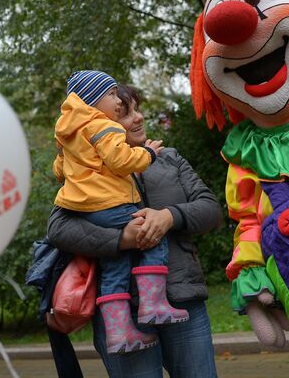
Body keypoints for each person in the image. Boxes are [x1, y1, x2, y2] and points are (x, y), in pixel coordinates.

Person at [48, 84, 222, 378]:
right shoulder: (85, 175)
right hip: (121, 311)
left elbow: (211, 210)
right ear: (98, 121)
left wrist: (170, 216)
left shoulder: (169, 159)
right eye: (125, 113)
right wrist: (121, 239)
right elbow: (59, 228)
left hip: (182, 299)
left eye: (137, 109)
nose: (138, 118)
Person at [53, 70, 188, 356]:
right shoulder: (103, 125)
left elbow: (59, 170)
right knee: (150, 233)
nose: (116, 102)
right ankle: (153, 305)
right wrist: (148, 155)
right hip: (110, 202)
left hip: (84, 206)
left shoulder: (70, 132)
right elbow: (120, 159)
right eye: (112, 95)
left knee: (115, 265)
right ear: (92, 100)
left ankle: (119, 332)